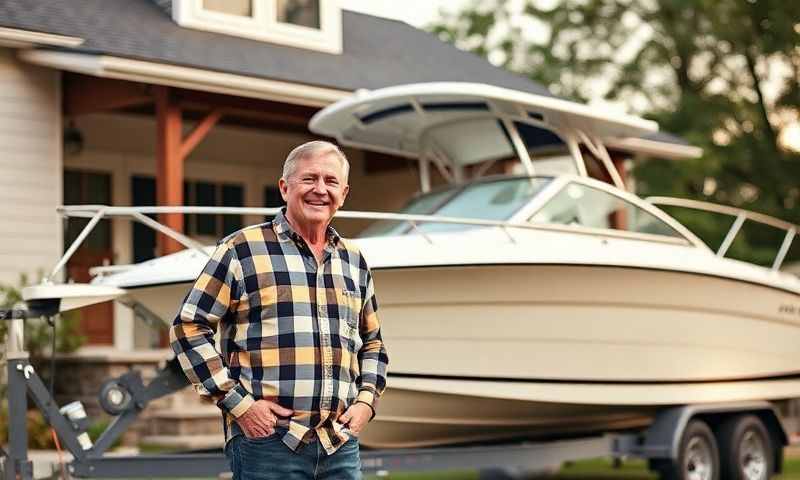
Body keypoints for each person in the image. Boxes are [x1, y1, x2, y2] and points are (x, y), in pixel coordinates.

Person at [170, 140, 389, 480]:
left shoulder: (354, 260)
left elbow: (372, 341)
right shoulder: (241, 250)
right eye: (309, 179)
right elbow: (188, 327)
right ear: (285, 188)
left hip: (339, 443)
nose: (320, 190)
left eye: (330, 182)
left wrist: (365, 402)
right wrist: (239, 405)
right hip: (269, 443)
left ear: (343, 193)